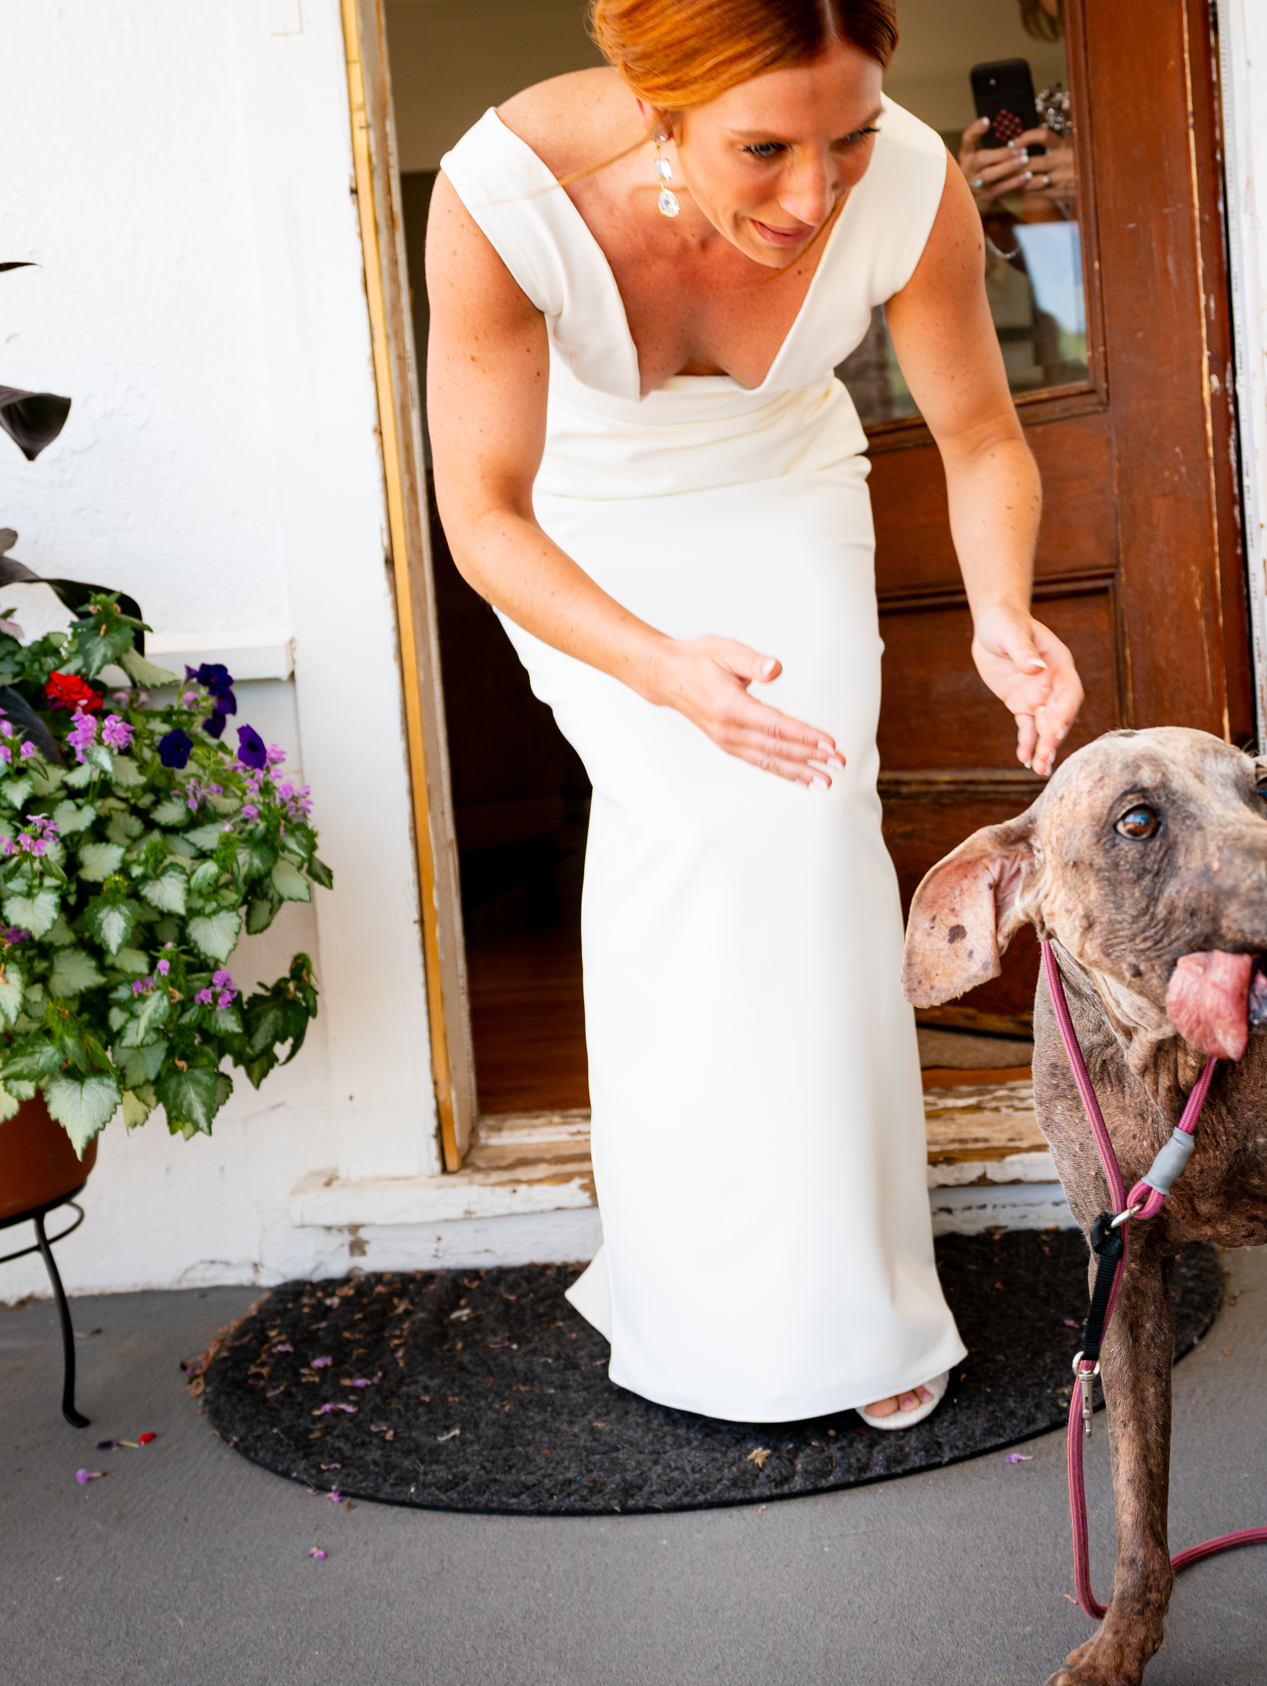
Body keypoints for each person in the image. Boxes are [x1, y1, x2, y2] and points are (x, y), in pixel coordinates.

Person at [424, 0, 1082, 1429]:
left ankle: (856, 1293)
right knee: (680, 828)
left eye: (845, 138)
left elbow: (980, 438)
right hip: (584, 535)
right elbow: (480, 512)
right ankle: (684, 1276)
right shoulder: (502, 199)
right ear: (656, 102)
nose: (813, 192)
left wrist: (1000, 609)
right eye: (766, 147)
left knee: (805, 814)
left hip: (782, 490)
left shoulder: (907, 182)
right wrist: (658, 665)